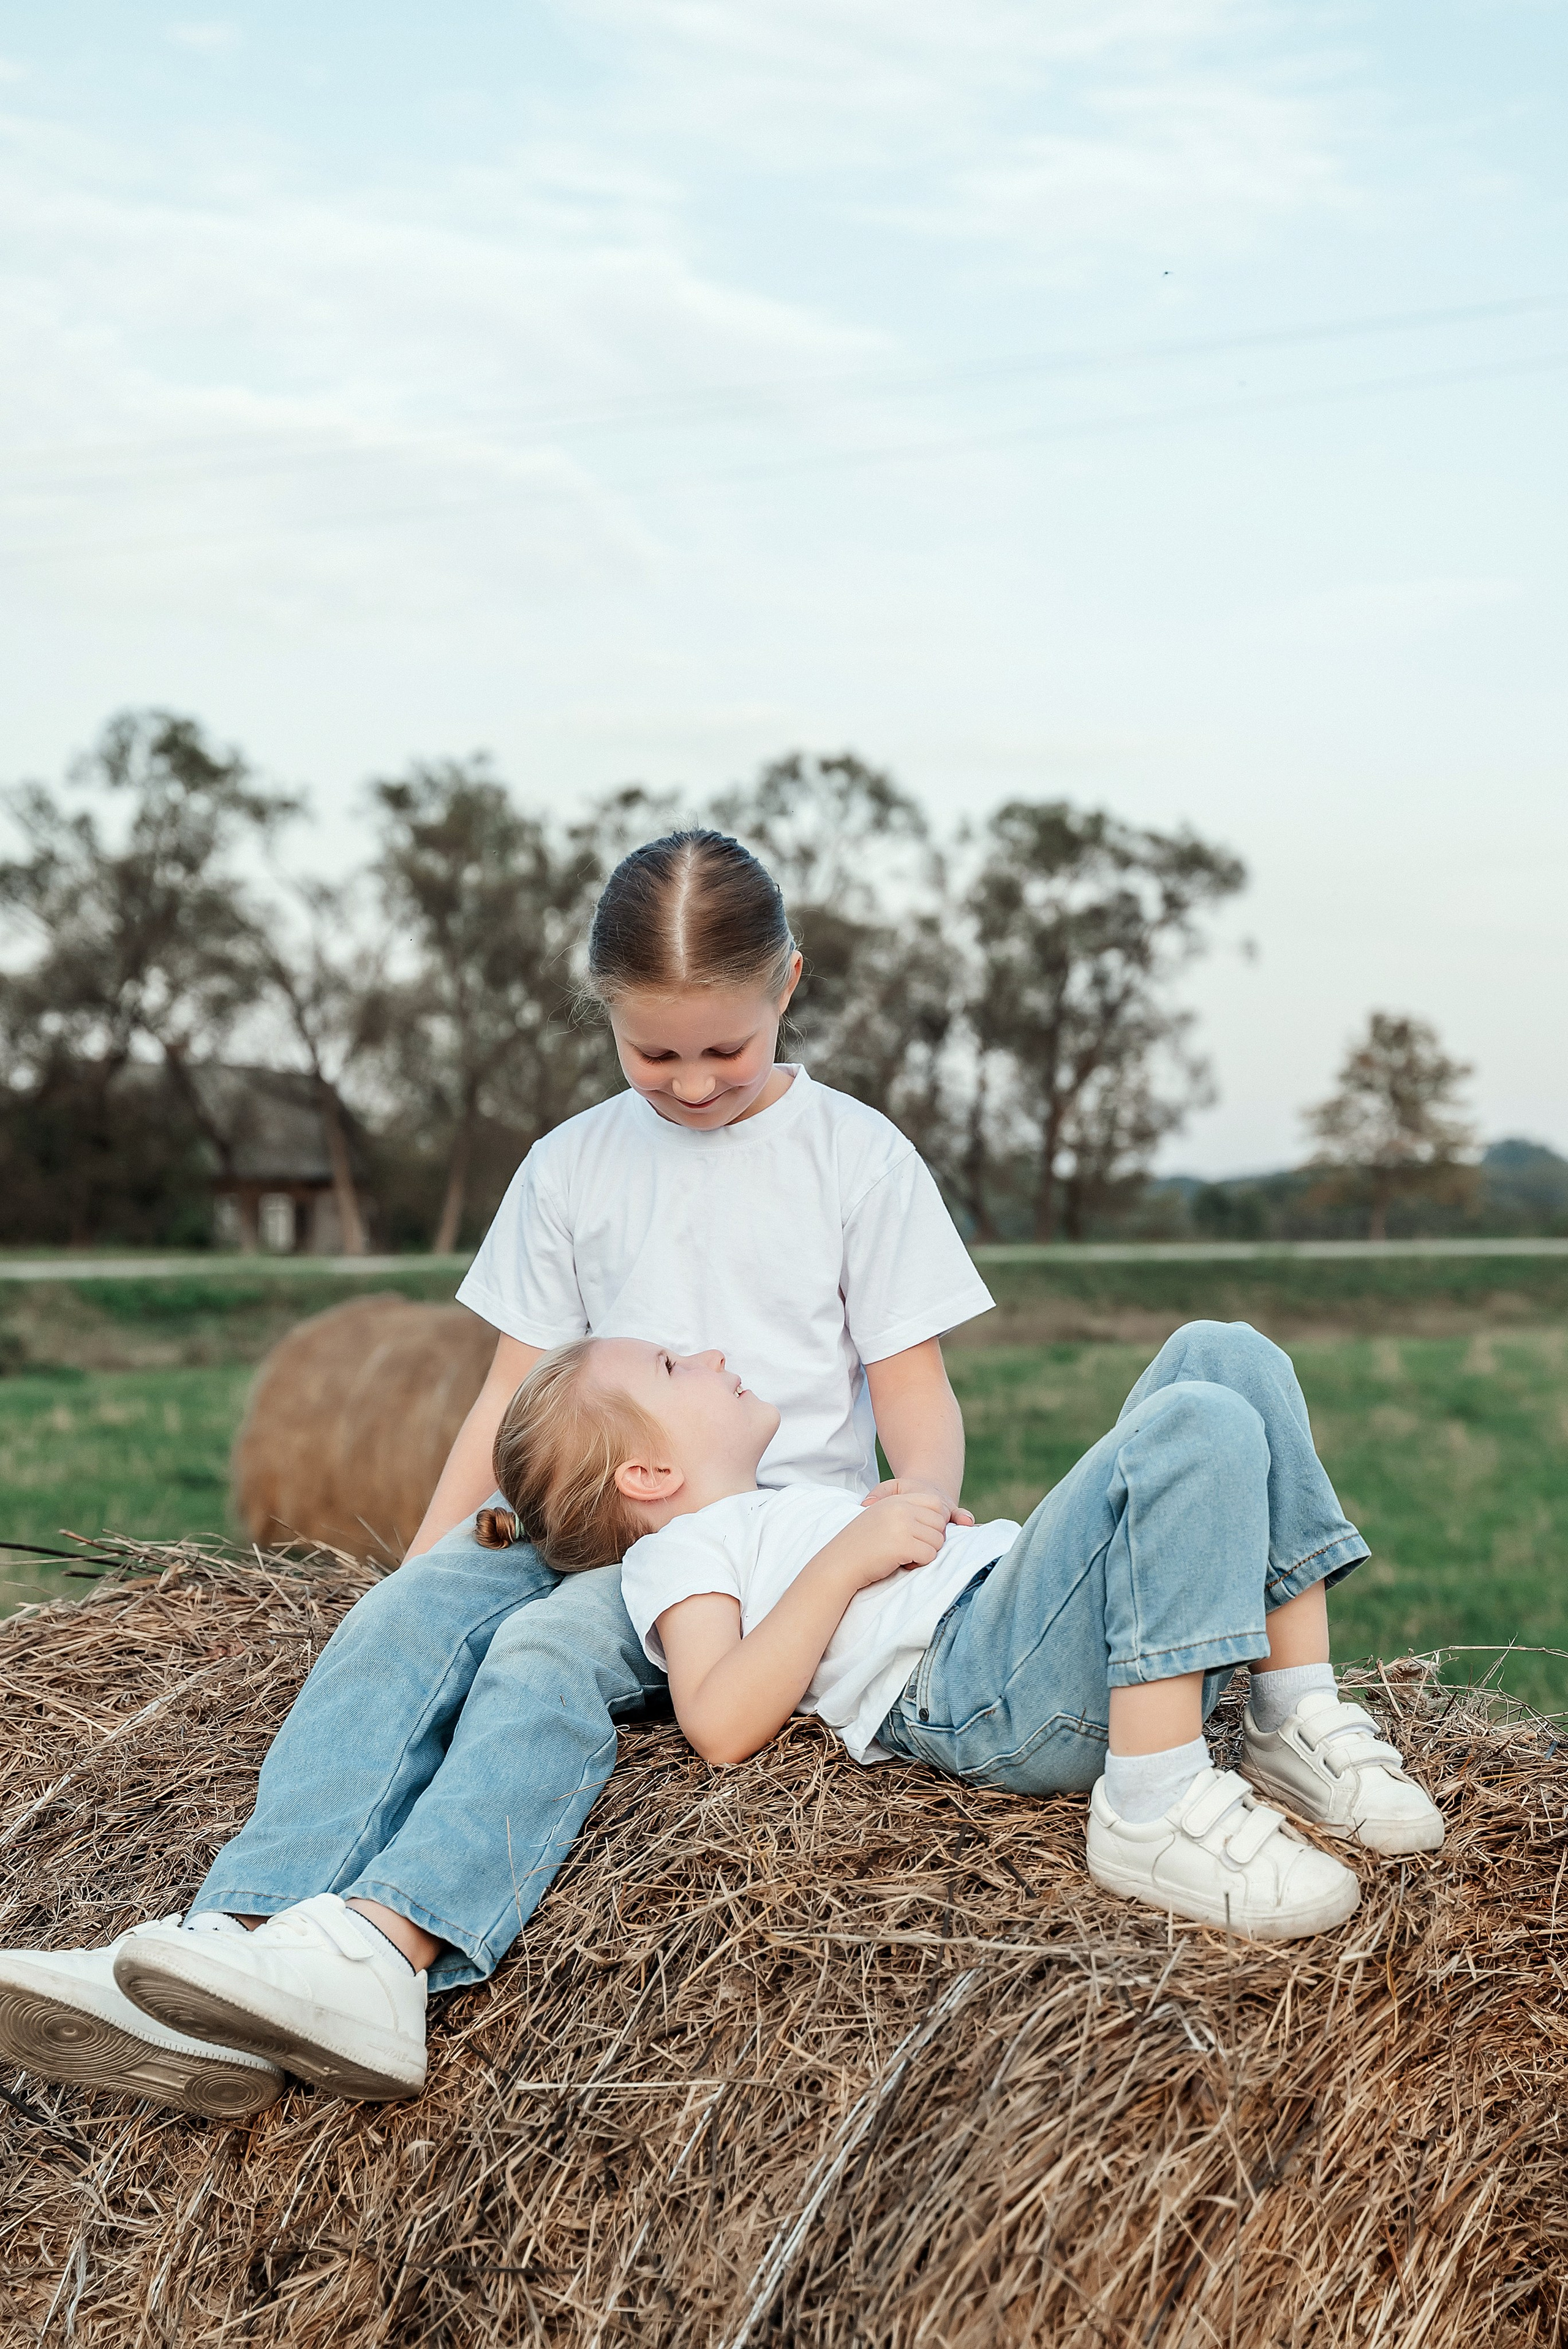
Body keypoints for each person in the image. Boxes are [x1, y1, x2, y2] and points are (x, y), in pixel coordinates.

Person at [0, 830, 995, 2115]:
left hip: (743, 1542)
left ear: (786, 988)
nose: (690, 1085)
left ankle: (387, 1952)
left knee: (545, 1658)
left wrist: (907, 1504)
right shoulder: (573, 1166)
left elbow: (918, 1395)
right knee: (403, 1622)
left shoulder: (856, 1159)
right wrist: (421, 1565)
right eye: (654, 1054)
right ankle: (230, 1952)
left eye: (722, 1051)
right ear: (602, 1016)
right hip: (575, 1514)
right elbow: (504, 1395)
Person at [472, 1323, 1442, 1939]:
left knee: (1228, 1355)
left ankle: (1290, 1714)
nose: (714, 1354)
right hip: (975, 1686)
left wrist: (908, 1531)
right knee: (1193, 1421)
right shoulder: (675, 1554)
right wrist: (851, 1554)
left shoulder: (776, 1506)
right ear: (647, 1477)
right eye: (676, 1364)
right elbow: (720, 1721)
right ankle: (1152, 1803)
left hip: (1004, 1625)